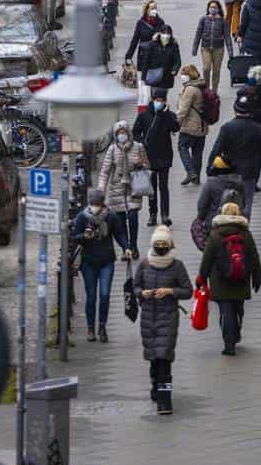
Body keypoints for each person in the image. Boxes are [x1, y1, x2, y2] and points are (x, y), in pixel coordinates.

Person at [133, 225, 193, 415]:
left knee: (164, 359)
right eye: (157, 244)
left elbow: (187, 291)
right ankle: (156, 386)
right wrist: (142, 293)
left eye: (163, 244)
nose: (160, 247)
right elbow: (134, 287)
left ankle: (165, 401)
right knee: (153, 358)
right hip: (148, 317)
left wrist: (170, 291)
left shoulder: (177, 266)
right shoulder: (144, 264)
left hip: (168, 317)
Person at [197, 202, 261, 356]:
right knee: (238, 309)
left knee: (225, 312)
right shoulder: (246, 234)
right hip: (241, 278)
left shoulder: (215, 234)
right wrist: (257, 278)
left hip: (220, 281)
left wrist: (202, 278)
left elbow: (207, 259)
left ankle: (229, 343)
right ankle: (236, 331)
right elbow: (254, 257)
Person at [71, 189, 133, 343]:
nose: (95, 208)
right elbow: (74, 238)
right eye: (93, 205)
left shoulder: (111, 217)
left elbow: (119, 234)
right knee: (91, 296)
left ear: (102, 204)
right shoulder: (82, 217)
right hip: (88, 262)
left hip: (107, 261)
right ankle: (91, 328)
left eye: (97, 205)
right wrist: (84, 236)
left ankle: (102, 327)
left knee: (104, 295)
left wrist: (126, 247)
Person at [207, 94, 261, 218]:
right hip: (250, 172)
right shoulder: (256, 127)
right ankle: (244, 227)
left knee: (229, 200)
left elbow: (216, 149)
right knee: (247, 202)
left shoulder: (227, 127)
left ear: (235, 110)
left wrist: (210, 167)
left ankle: (230, 223)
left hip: (230, 170)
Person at [98, 120, 149, 258]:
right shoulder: (112, 149)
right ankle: (125, 248)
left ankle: (134, 245)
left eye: (124, 132)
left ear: (128, 133)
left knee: (133, 217)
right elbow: (105, 171)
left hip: (134, 187)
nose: (122, 135)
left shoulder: (138, 147)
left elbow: (147, 165)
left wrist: (141, 164)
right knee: (120, 221)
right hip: (116, 188)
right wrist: (101, 189)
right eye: (119, 133)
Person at [133, 88, 181, 227]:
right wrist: (142, 142)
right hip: (149, 156)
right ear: (152, 100)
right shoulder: (143, 116)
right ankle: (152, 214)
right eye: (157, 100)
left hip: (165, 155)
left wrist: (166, 114)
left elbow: (175, 128)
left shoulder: (168, 115)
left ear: (165, 102)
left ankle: (165, 215)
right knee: (151, 187)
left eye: (161, 100)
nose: (159, 103)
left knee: (164, 186)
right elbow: (135, 133)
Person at [124, 0, 167, 113]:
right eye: (152, 8)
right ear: (146, 9)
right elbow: (135, 40)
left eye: (155, 8)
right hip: (143, 59)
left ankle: (156, 112)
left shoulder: (161, 22)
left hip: (156, 60)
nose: (154, 10)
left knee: (156, 90)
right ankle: (144, 115)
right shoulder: (140, 23)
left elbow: (166, 39)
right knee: (144, 92)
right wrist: (128, 56)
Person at [175, 64, 210, 185]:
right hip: (202, 127)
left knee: (182, 147)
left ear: (189, 76)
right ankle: (196, 177)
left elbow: (183, 110)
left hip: (190, 126)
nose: (182, 77)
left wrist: (176, 125)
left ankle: (190, 172)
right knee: (197, 153)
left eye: (183, 74)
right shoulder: (202, 86)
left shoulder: (190, 89)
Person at [192, 0, 234, 91]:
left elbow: (227, 37)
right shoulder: (203, 19)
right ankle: (206, 89)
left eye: (214, 7)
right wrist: (194, 48)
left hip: (218, 49)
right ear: (208, 9)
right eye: (211, 7)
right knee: (206, 68)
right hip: (205, 48)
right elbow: (198, 34)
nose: (213, 9)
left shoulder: (223, 21)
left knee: (216, 71)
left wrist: (230, 52)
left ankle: (214, 91)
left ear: (218, 9)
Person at [197, 154, 246, 224]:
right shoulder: (239, 182)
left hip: (215, 223)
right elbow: (243, 203)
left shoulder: (211, 182)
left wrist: (200, 219)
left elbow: (202, 205)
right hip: (235, 222)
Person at [140, 24, 182, 93]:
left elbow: (178, 61)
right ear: (160, 33)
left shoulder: (174, 45)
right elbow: (146, 61)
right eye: (164, 33)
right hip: (154, 75)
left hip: (167, 76)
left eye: (168, 33)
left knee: (162, 97)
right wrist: (143, 78)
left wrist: (175, 69)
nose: (166, 35)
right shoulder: (153, 44)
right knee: (154, 96)